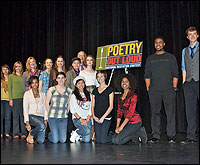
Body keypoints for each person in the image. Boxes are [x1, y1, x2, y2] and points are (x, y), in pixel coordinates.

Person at [144, 36, 179, 143]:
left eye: (160, 42)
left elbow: (175, 74)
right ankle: (155, 135)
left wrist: (174, 87)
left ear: (164, 44)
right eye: (156, 42)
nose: (158, 44)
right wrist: (149, 89)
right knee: (155, 113)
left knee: (170, 113)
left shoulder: (170, 57)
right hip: (154, 91)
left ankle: (171, 136)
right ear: (154, 45)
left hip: (169, 90)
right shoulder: (150, 59)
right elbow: (147, 75)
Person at [112, 74, 147, 145]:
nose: (124, 83)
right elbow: (119, 113)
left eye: (126, 81)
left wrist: (121, 127)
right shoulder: (120, 97)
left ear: (130, 83)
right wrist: (117, 127)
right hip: (128, 123)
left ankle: (138, 132)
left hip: (135, 122)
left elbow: (130, 114)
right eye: (122, 81)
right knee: (114, 140)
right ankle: (135, 133)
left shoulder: (133, 96)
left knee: (118, 141)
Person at [180, 26, 199, 144]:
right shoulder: (184, 51)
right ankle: (191, 136)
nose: (192, 36)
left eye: (194, 34)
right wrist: (184, 81)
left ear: (197, 35)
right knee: (190, 110)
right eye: (190, 34)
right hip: (189, 82)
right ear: (187, 37)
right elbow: (183, 66)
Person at [45, 72, 72, 143]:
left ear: (65, 79)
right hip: (53, 117)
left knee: (63, 140)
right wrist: (49, 113)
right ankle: (51, 135)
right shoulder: (52, 89)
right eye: (59, 78)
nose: (61, 80)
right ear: (56, 79)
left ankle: (55, 134)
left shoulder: (69, 91)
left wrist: (67, 112)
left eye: (62, 78)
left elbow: (69, 103)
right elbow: (47, 102)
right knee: (55, 140)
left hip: (63, 117)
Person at [79, 55, 99, 140]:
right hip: (85, 92)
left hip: (94, 92)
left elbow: (97, 84)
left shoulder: (96, 72)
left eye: (91, 60)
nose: (89, 62)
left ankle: (93, 133)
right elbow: (80, 83)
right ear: (85, 62)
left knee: (93, 111)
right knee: (87, 110)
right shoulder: (82, 72)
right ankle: (85, 131)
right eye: (88, 60)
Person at [23, 76, 48, 144]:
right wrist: (27, 122)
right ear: (30, 84)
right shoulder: (27, 94)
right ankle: (32, 134)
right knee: (42, 126)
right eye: (33, 83)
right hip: (32, 115)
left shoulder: (43, 94)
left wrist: (46, 120)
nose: (35, 84)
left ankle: (33, 135)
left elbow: (45, 107)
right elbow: (25, 109)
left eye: (36, 82)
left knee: (41, 141)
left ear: (38, 83)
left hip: (41, 116)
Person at [91, 71, 114, 143]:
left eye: (101, 76)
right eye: (98, 77)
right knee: (98, 140)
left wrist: (103, 118)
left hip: (105, 118)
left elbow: (111, 106)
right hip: (97, 118)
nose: (99, 78)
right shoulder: (95, 90)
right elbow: (92, 105)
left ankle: (115, 136)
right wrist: (94, 116)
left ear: (105, 77)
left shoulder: (110, 90)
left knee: (103, 140)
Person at [69, 76, 92, 143]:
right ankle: (76, 132)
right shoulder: (73, 96)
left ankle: (79, 134)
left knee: (86, 140)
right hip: (77, 119)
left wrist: (87, 119)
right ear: (76, 85)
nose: (81, 85)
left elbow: (91, 107)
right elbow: (72, 110)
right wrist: (81, 119)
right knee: (87, 131)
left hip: (87, 118)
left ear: (84, 84)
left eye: (82, 83)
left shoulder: (89, 94)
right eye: (79, 83)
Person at [8, 61, 27, 139]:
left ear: (21, 67)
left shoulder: (23, 75)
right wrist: (10, 99)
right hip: (15, 98)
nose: (18, 68)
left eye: (19, 66)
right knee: (15, 116)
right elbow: (9, 88)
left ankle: (23, 132)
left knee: (23, 116)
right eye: (16, 66)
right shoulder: (11, 76)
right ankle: (16, 133)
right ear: (14, 67)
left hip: (24, 97)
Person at [65, 57, 81, 139]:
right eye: (75, 63)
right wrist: (74, 93)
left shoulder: (81, 73)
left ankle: (78, 131)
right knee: (72, 114)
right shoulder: (69, 73)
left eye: (78, 63)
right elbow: (67, 86)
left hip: (80, 96)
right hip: (72, 96)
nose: (76, 65)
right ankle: (71, 132)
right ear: (72, 64)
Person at [1, 64, 12, 138]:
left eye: (6, 69)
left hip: (8, 100)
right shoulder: (1, 79)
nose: (5, 71)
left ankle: (7, 132)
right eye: (3, 69)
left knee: (8, 116)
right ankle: (1, 133)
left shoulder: (11, 78)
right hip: (1, 100)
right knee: (1, 116)